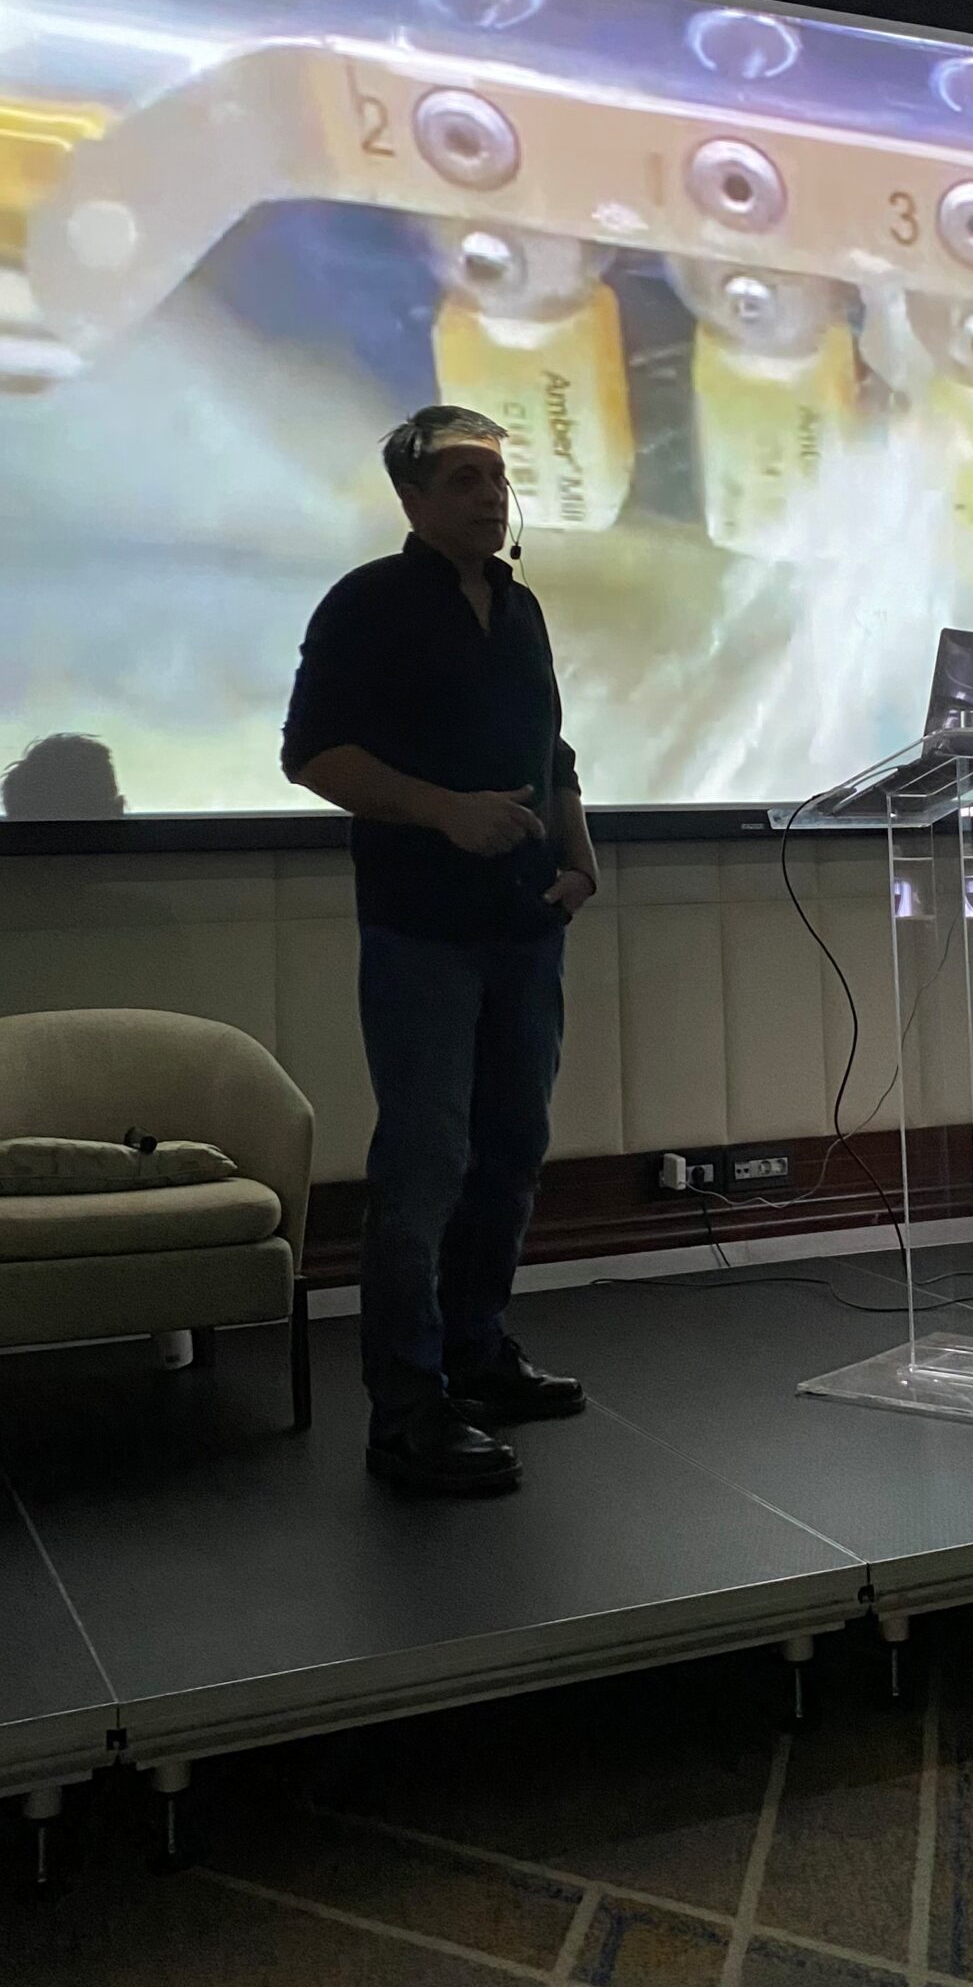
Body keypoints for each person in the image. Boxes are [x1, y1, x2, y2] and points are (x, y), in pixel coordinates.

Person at [282, 404, 598, 1495]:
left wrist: (581, 855)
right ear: (411, 499)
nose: (490, 496)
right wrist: (443, 811)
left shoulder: (521, 608)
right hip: (421, 928)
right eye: (464, 479)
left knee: (512, 1150)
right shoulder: (367, 602)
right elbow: (312, 754)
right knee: (424, 1164)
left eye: (497, 479)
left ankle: (477, 1354)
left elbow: (551, 749)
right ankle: (407, 1408)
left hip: (527, 924)